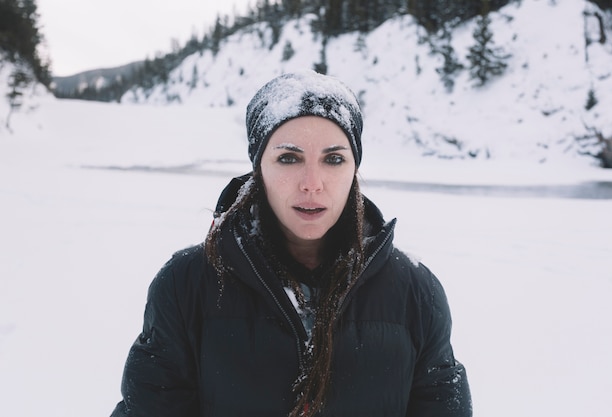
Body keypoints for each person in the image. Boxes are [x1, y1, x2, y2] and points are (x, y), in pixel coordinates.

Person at [111, 70, 472, 417]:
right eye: (289, 158)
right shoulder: (186, 284)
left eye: (333, 159)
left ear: (353, 170)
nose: (312, 183)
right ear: (259, 168)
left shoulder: (416, 293)